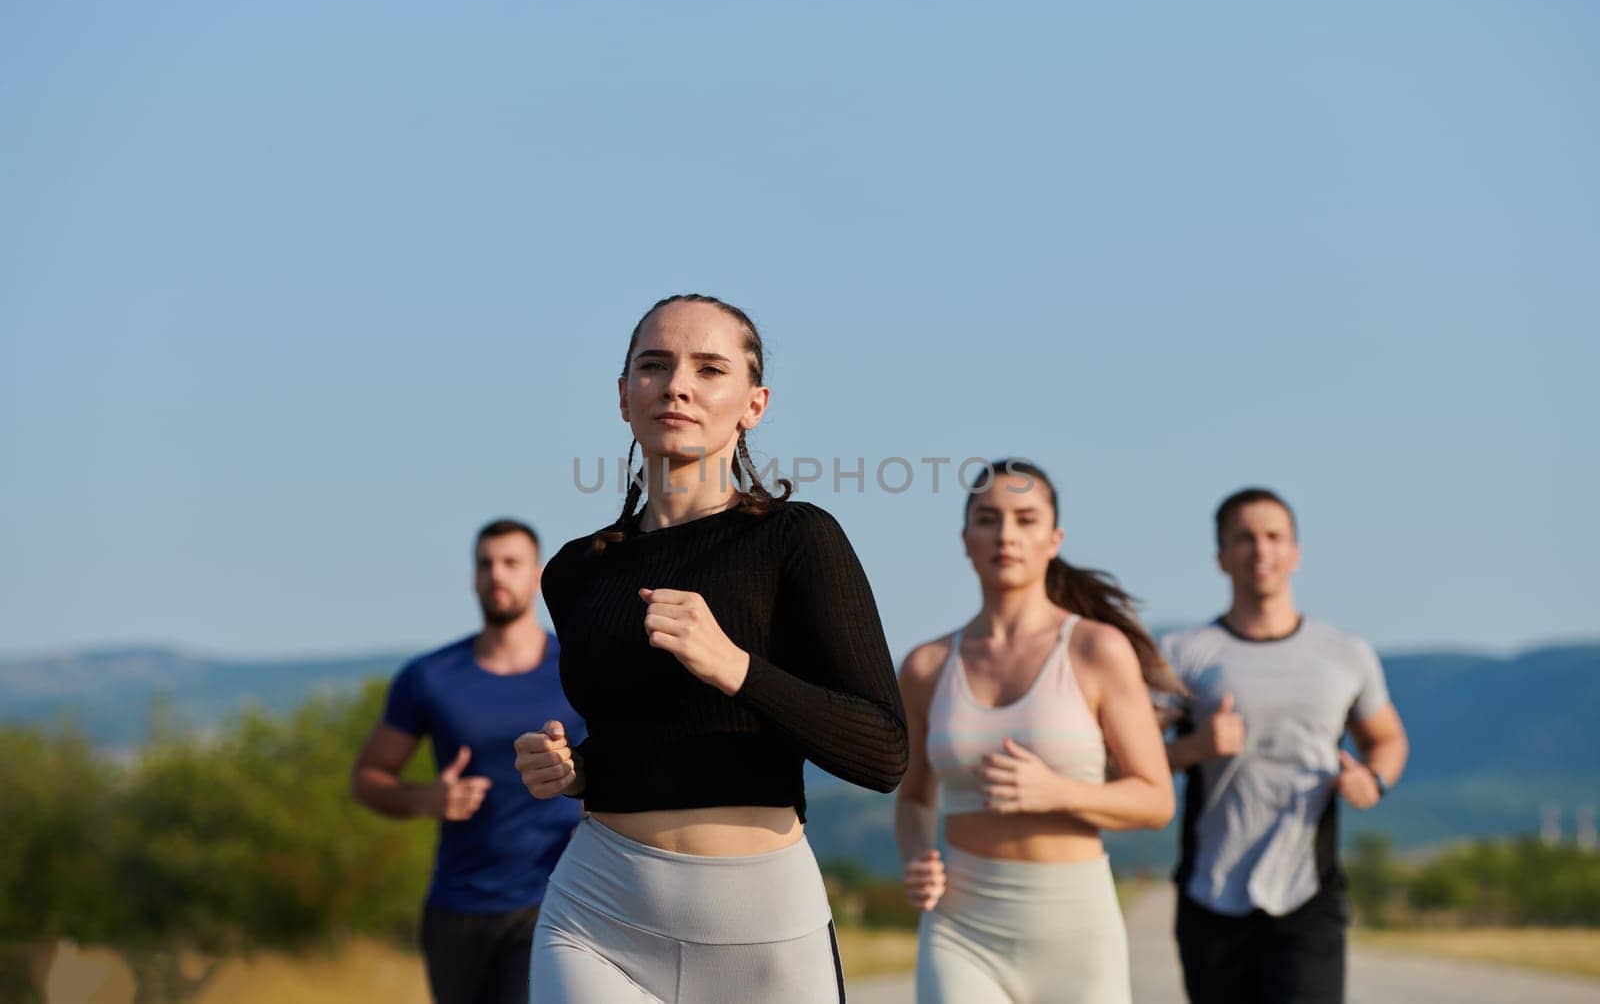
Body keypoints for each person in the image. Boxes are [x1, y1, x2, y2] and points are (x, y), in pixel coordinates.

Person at [513, 294, 908, 1003]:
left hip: (763, 931)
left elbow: (882, 752)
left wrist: (735, 666)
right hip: (596, 916)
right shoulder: (576, 571)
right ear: (624, 395)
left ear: (753, 403)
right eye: (654, 365)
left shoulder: (797, 540)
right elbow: (645, 732)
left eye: (709, 367)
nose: (677, 384)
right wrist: (573, 768)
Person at [895, 458, 1179, 1004]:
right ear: (965, 537)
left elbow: (1156, 799)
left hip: (1075, 936)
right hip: (961, 929)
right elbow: (912, 799)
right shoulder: (927, 666)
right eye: (988, 518)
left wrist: (1058, 792)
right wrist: (915, 856)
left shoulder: (1097, 650)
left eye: (1026, 519)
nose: (1006, 534)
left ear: (1054, 538)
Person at [1161, 487, 1410, 1004]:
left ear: (1296, 553)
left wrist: (1374, 780)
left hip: (1307, 893)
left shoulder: (1344, 654)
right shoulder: (1183, 655)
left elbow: (1386, 738)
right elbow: (1128, 760)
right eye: (1244, 538)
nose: (1261, 550)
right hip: (1211, 895)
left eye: (1274, 537)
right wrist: (1194, 749)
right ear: (1221, 557)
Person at [351, 519, 585, 1004]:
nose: (497, 575)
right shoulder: (430, 677)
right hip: (457, 907)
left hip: (554, 899)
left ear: (537, 574)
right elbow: (368, 779)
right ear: (473, 577)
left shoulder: (579, 666)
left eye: (511, 563)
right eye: (486, 564)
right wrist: (426, 798)